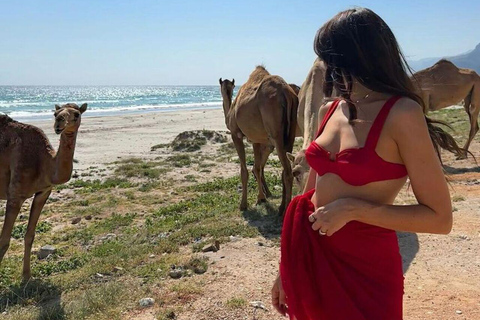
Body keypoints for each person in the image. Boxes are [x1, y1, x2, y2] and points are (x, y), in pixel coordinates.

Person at [271, 7, 461, 320]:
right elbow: (311, 191)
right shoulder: (330, 111)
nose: (327, 68)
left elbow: (440, 219)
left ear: (358, 55)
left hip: (366, 268)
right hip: (312, 255)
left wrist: (354, 210)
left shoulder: (402, 114)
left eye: (332, 59)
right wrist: (285, 269)